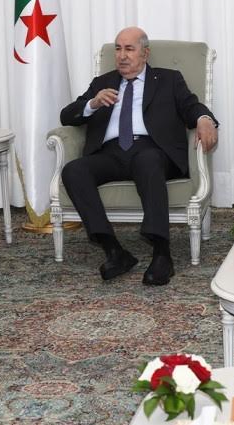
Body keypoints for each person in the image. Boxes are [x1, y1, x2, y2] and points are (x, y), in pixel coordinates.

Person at [60, 27, 218, 285]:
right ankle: (114, 251)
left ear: (145, 53)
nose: (122, 55)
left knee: (148, 160)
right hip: (111, 153)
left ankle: (162, 254)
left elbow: (191, 106)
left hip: (153, 151)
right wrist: (92, 104)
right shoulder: (102, 83)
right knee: (73, 170)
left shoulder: (168, 79)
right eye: (118, 49)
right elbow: (67, 116)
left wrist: (204, 119)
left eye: (129, 49)